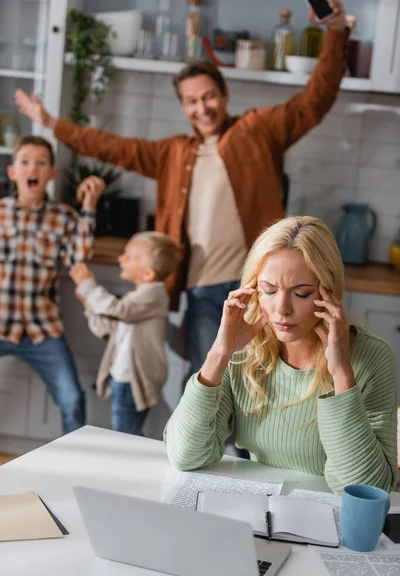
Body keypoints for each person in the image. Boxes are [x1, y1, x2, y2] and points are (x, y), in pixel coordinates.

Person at [14, 1, 349, 376]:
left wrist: (336, 31)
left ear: (224, 96)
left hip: (261, 288)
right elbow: (111, 146)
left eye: (208, 96)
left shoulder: (258, 131)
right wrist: (50, 123)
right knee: (210, 381)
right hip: (203, 291)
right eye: (191, 101)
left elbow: (315, 100)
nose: (201, 107)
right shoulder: (173, 153)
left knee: (262, 380)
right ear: (184, 107)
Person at [164, 216, 398, 495]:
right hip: (261, 510)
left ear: (329, 292)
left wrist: (342, 374)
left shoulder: (372, 356)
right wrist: (219, 352)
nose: (281, 309)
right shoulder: (243, 350)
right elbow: (185, 456)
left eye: (301, 293)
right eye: (269, 291)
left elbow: (368, 489)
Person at [0, 135, 104, 433]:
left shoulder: (64, 217)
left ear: (52, 173)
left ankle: (70, 468)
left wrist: (89, 206)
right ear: (12, 171)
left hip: (42, 329)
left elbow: (78, 259)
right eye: (25, 162)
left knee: (73, 400)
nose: (33, 168)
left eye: (41, 162)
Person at [69, 231, 182, 436]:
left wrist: (88, 286)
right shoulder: (138, 297)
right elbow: (108, 329)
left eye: (128, 257)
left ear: (148, 274)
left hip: (132, 379)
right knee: (127, 433)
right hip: (122, 377)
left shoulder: (154, 294)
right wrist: (88, 303)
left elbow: (119, 310)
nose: (120, 259)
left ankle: (128, 467)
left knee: (125, 435)